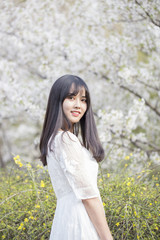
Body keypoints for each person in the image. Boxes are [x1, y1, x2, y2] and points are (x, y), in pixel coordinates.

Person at [39, 75, 113, 240]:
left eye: (83, 99)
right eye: (71, 97)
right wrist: (107, 237)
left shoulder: (54, 140)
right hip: (80, 221)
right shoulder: (66, 139)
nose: (78, 105)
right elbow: (88, 196)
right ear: (58, 101)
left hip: (66, 219)